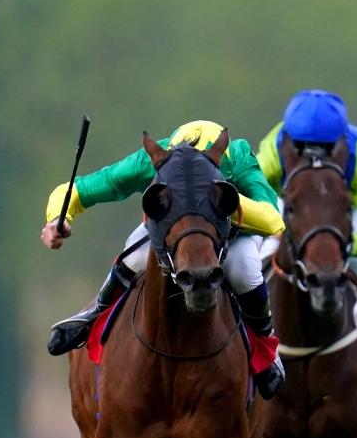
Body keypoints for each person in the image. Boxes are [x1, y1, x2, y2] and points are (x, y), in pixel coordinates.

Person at [41, 120, 288, 397]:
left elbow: (273, 220)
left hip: (235, 233)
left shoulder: (238, 157)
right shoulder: (150, 162)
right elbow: (76, 190)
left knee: (243, 270)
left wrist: (213, 200)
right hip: (174, 229)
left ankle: (265, 343)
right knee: (134, 257)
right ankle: (95, 313)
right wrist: (57, 218)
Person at [257, 90, 357, 369]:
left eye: (325, 148)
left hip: (340, 209)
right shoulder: (276, 147)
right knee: (258, 255)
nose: (313, 156)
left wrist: (346, 247)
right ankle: (243, 327)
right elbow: (250, 195)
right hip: (293, 205)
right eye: (301, 147)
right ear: (290, 139)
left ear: (341, 141)